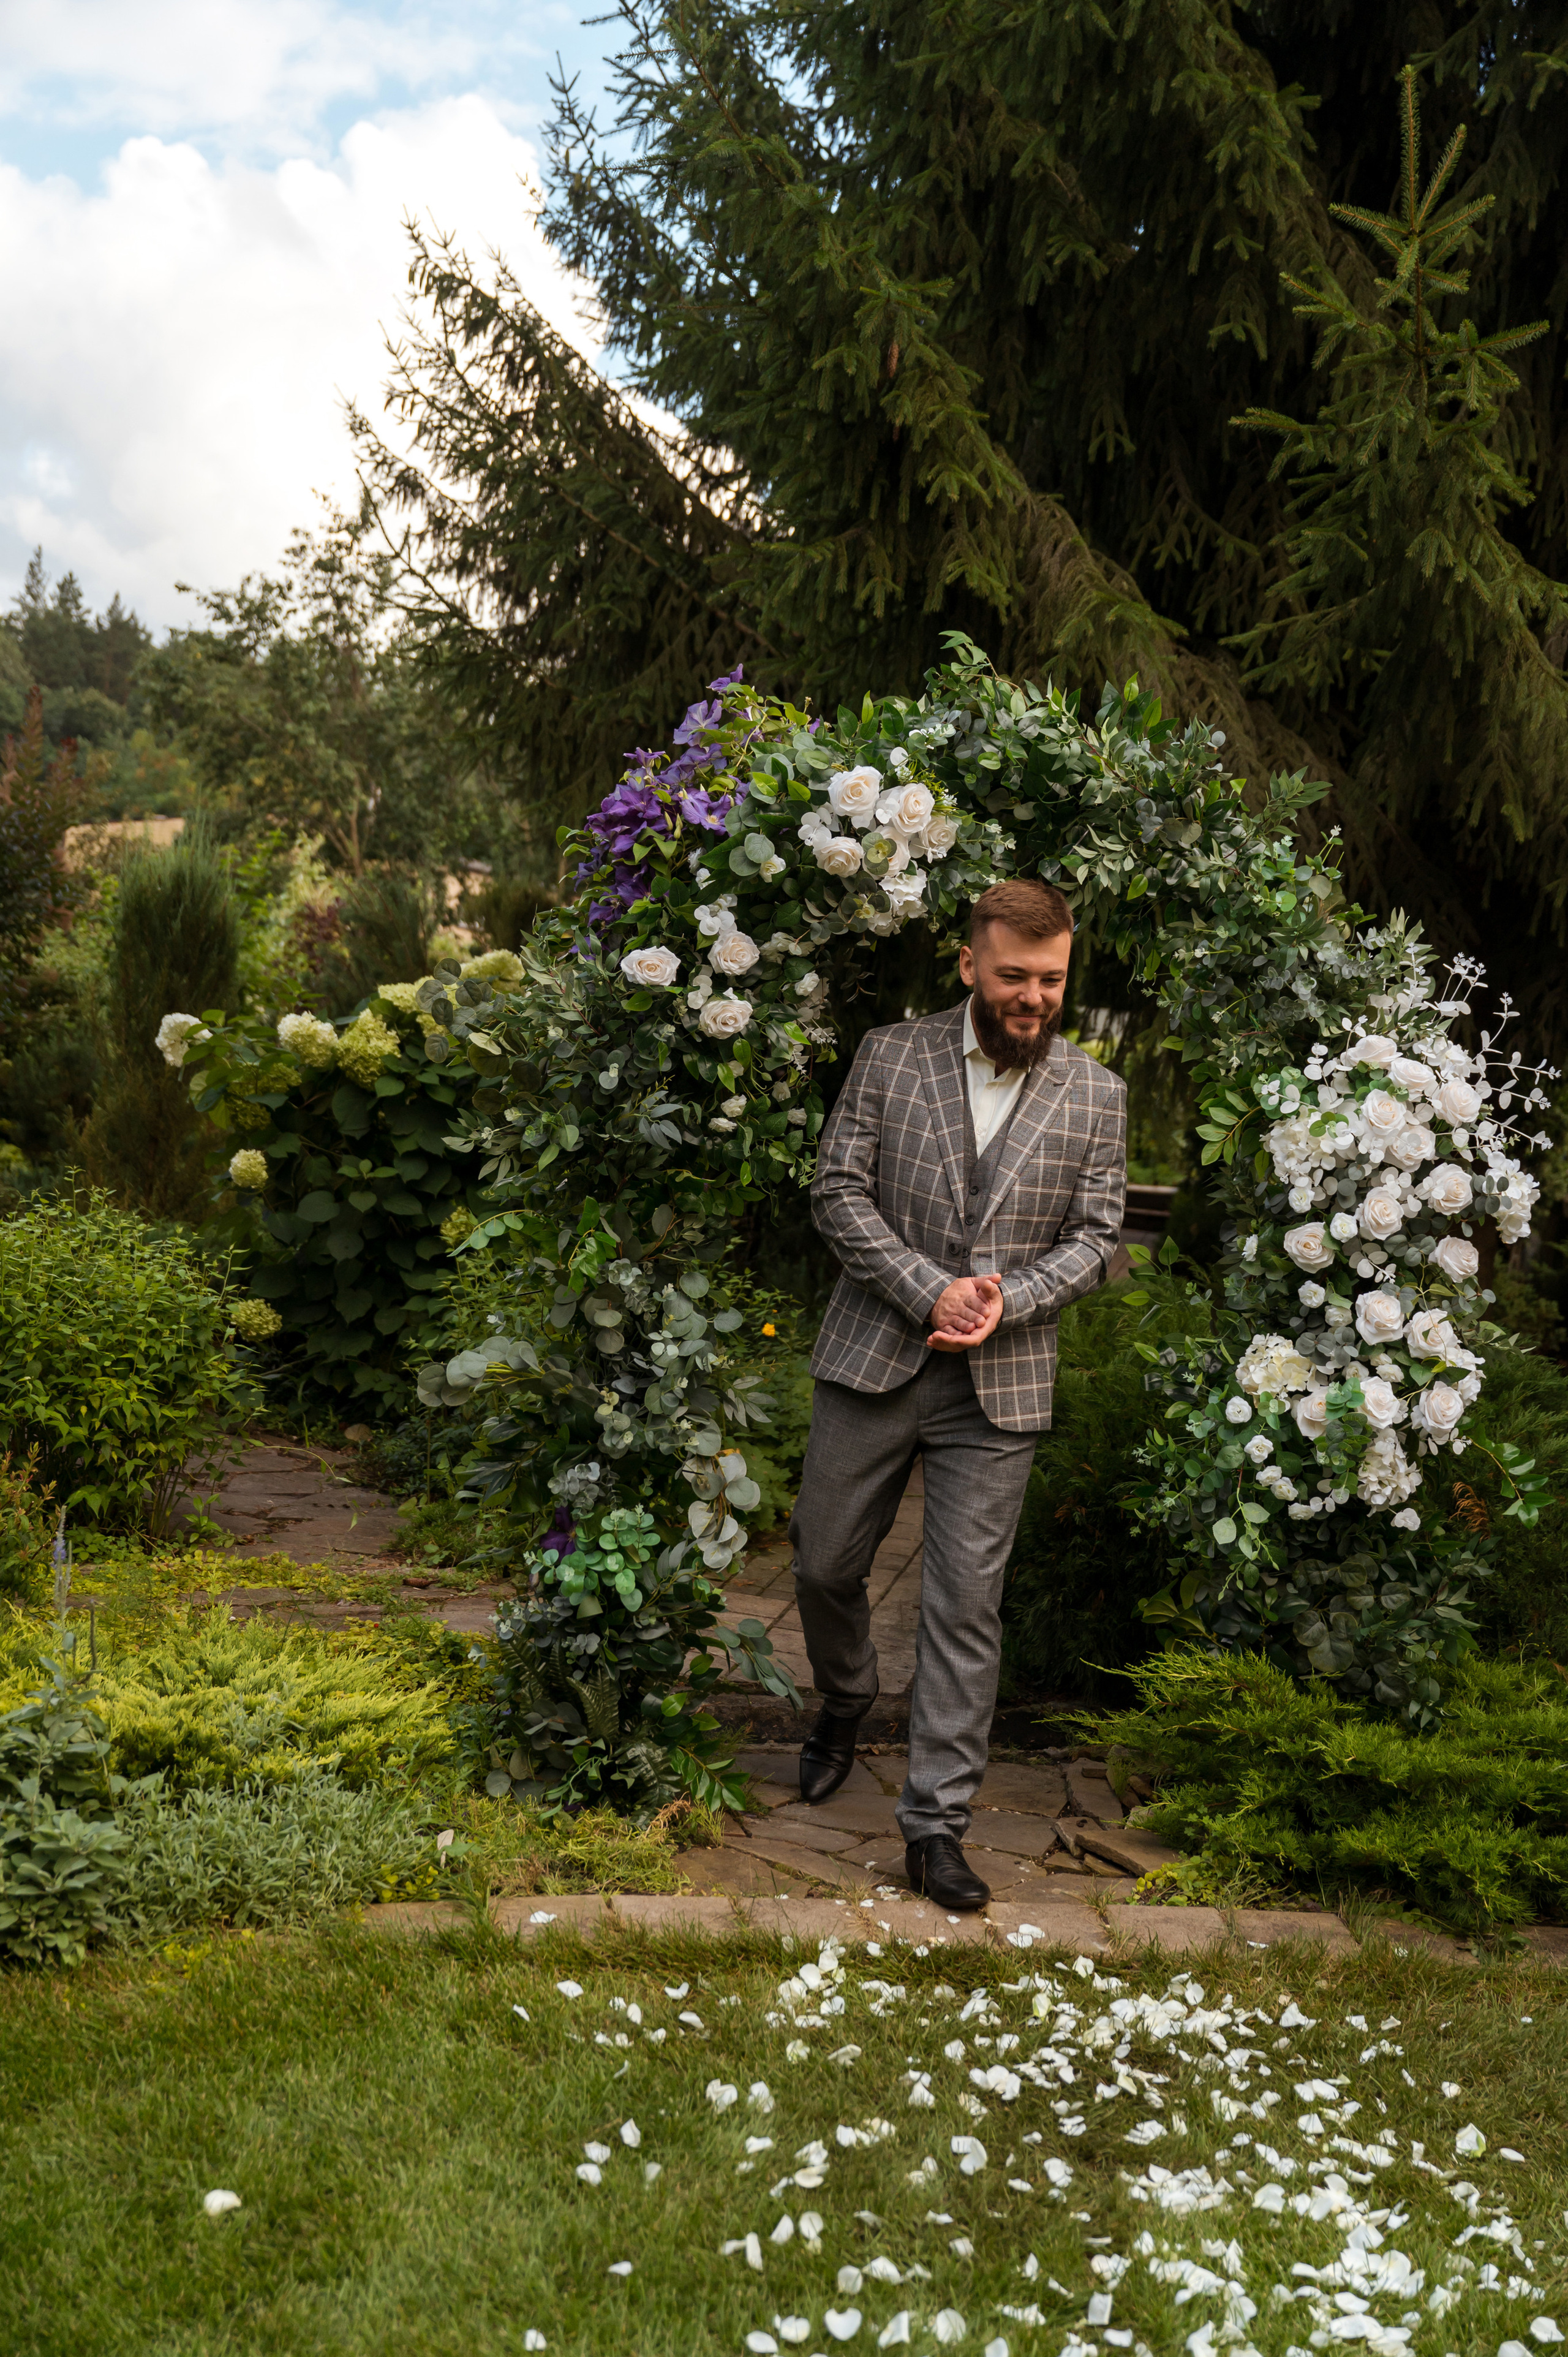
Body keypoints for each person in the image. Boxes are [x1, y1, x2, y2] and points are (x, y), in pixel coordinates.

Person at [788, 877, 1127, 1910]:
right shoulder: (891, 1058)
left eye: (1053, 980)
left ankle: (935, 1829)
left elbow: (1098, 1236)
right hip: (874, 1357)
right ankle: (847, 1697)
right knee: (823, 1561)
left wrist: (1004, 1299)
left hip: (1001, 1383)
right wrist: (928, 1287)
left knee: (964, 1611)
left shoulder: (1097, 1096)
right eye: (1016, 976)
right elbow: (835, 1191)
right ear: (972, 965)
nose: (1035, 997)